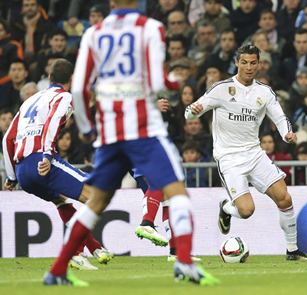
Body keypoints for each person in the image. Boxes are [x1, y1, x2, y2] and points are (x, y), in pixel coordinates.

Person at [44, 0, 219, 286]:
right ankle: (184, 261)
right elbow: (158, 78)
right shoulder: (150, 27)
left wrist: (87, 130)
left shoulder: (93, 33)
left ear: (111, 3)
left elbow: (78, 87)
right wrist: (174, 82)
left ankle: (58, 270)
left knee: (96, 202)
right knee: (177, 191)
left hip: (111, 133)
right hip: (143, 129)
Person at [185, 44, 307, 261]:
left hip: (254, 153)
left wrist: (286, 133)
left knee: (284, 198)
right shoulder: (221, 89)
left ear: (259, 64)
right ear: (236, 63)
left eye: (253, 62)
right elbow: (190, 113)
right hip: (229, 158)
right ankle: (226, 207)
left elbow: (280, 118)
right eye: (244, 62)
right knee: (246, 210)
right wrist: (192, 112)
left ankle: (292, 250)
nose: (249, 67)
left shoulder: (264, 92)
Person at [2, 58, 113, 271]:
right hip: (41, 160)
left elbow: (7, 137)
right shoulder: (64, 97)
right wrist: (45, 154)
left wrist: (12, 176)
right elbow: (53, 122)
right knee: (96, 195)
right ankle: (75, 252)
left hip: (23, 172)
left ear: (50, 78)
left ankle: (95, 248)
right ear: (71, 79)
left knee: (61, 201)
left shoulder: (30, 100)